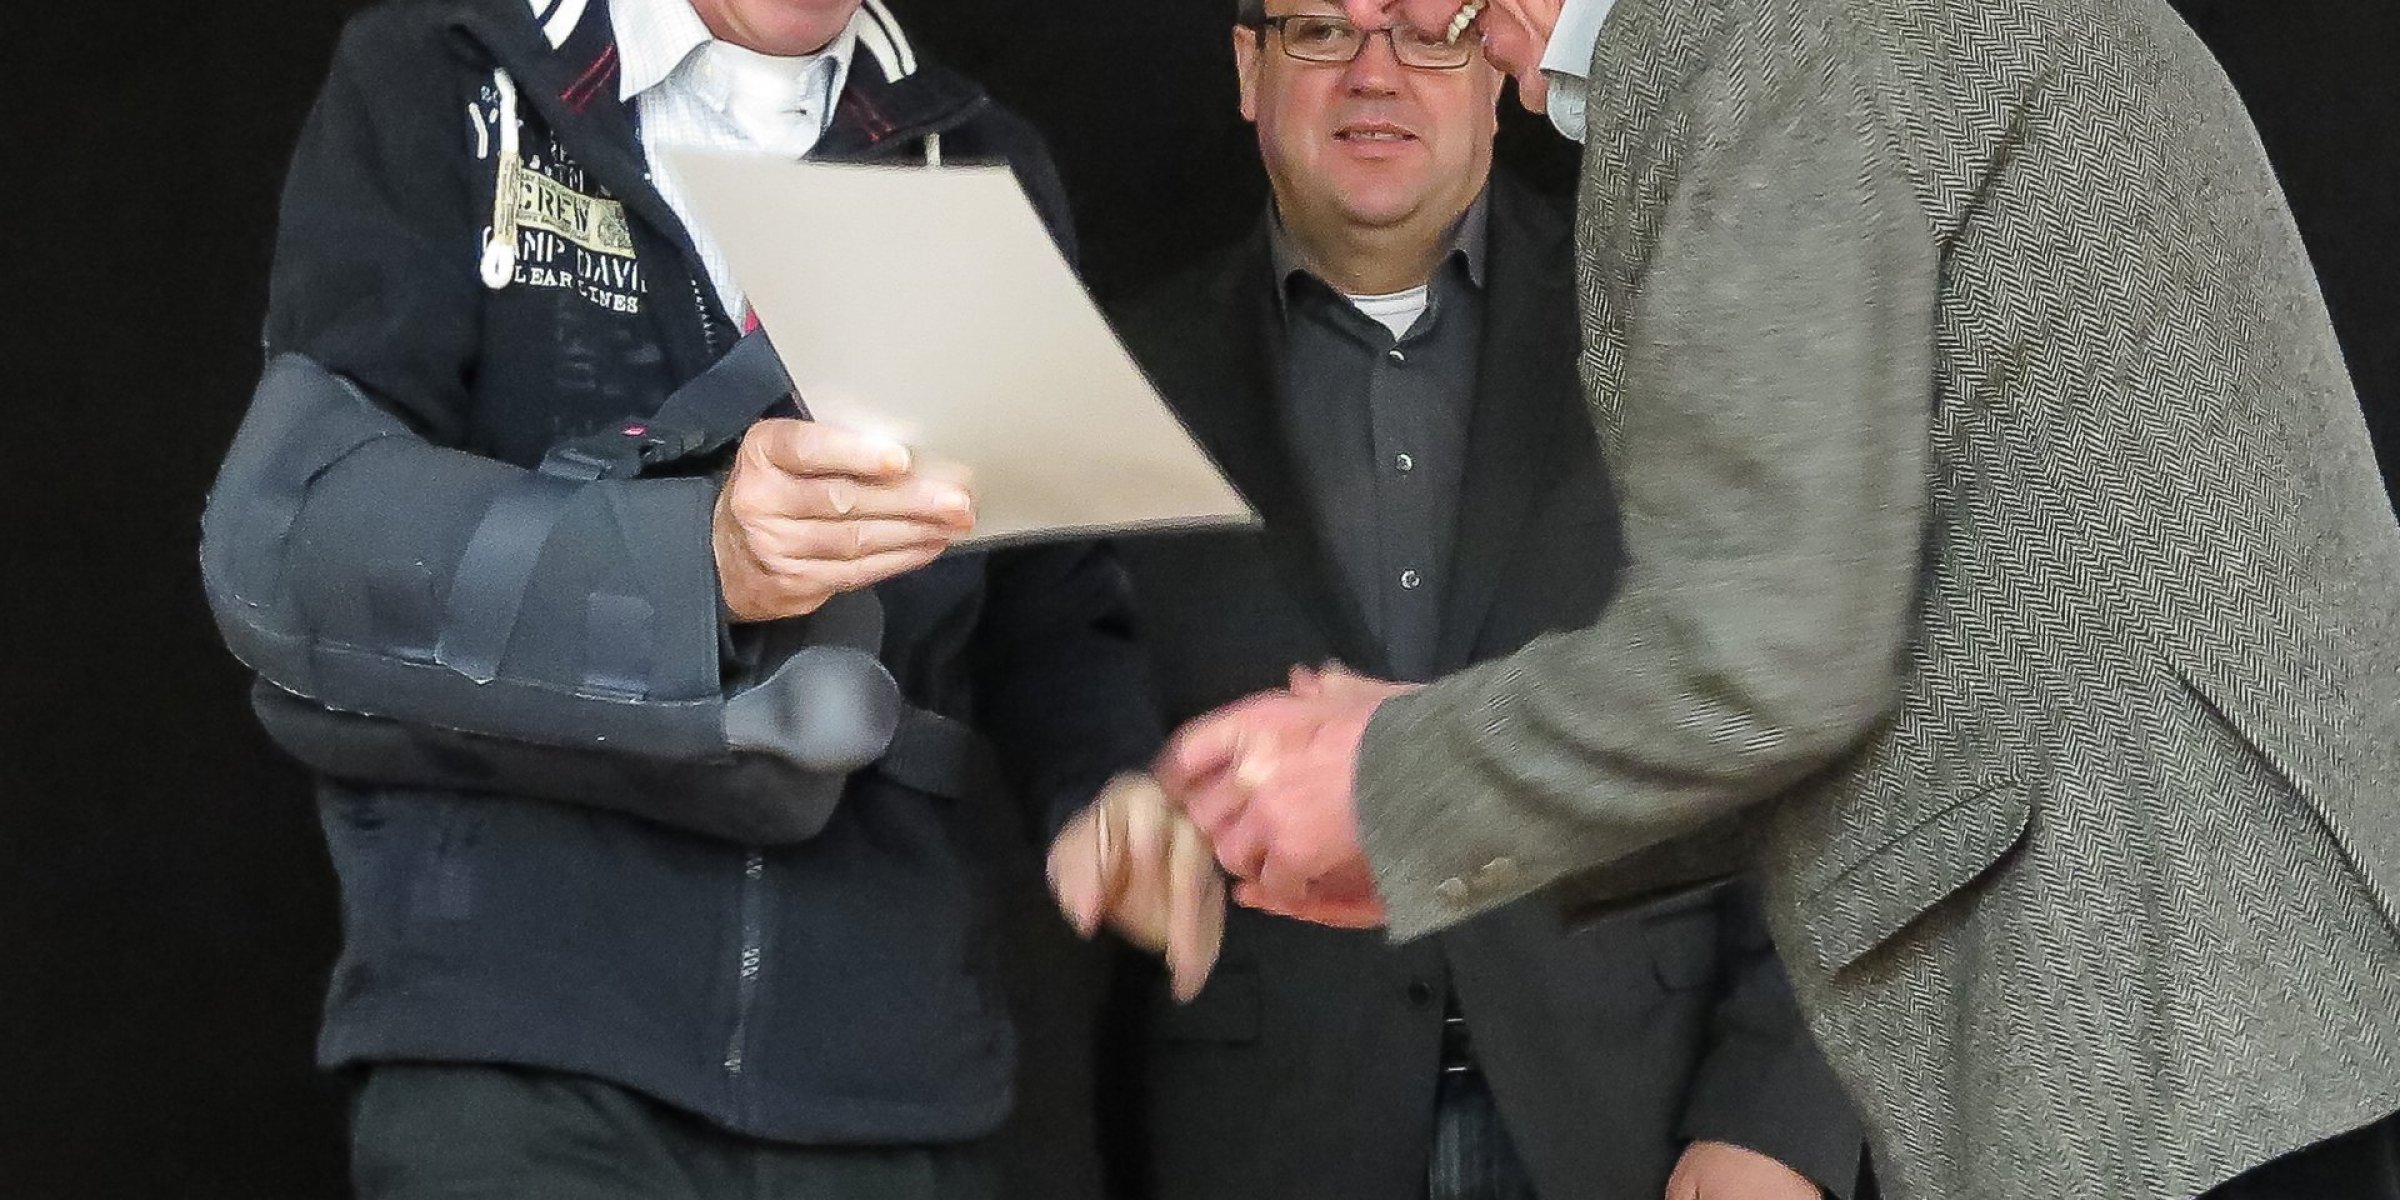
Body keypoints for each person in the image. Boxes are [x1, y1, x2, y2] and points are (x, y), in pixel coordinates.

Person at [1149, 0, 2400, 1197]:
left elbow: (1774, 652)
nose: (1397, 47)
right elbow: (1853, 634)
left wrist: (1397, 788)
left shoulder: (1763, 30)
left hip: (2159, 983)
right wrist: (1444, 823)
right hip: (2196, 992)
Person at [199, 0, 1162, 1194]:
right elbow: (316, 533)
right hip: (523, 1041)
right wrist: (695, 562)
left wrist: (1108, 783)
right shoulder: (452, 73)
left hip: (885, 1084)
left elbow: (1048, 596)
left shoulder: (967, 160)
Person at [1051, 3, 1860, 1196]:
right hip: (1265, 1138)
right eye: (1322, 32)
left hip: (1642, 1129)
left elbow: (1820, 720)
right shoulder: (1114, 379)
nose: (1375, 75)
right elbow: (1060, 685)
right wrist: (1107, 807)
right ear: (1248, 68)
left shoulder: (1676, 317)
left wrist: (1778, 1118)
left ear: (1499, 69)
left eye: (1427, 34)